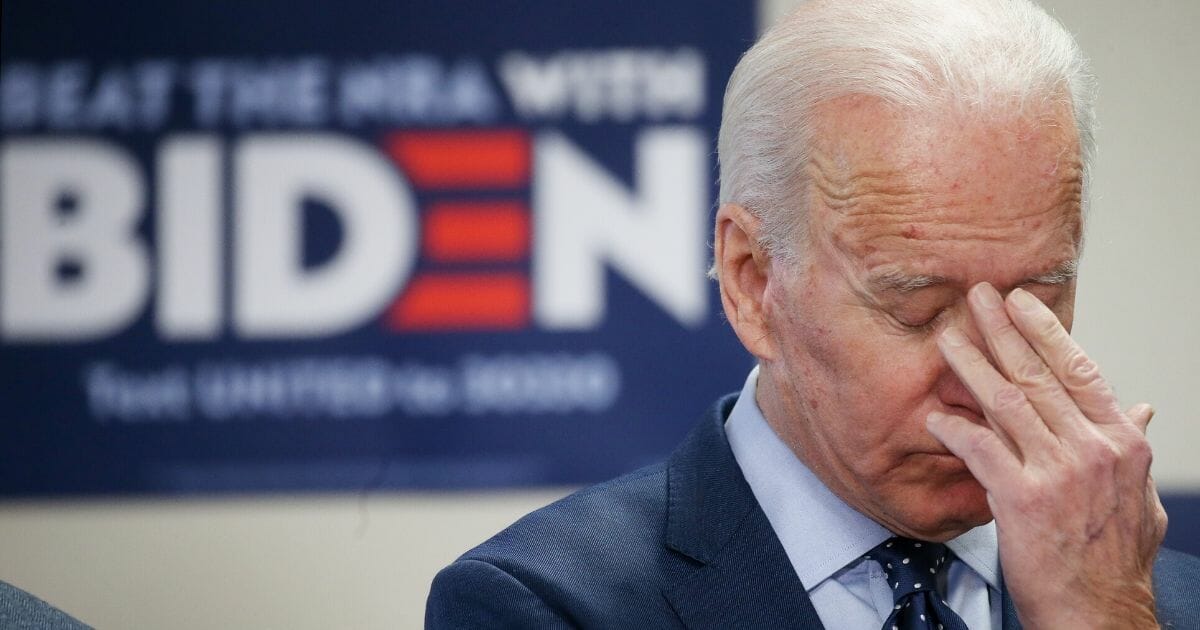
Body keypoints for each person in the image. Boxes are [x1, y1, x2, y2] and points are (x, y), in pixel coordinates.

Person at [426, 0, 1200, 627]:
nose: (985, 383)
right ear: (752, 280)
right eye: (918, 310)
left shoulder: (1164, 606)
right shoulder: (546, 606)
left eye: (1034, 302)